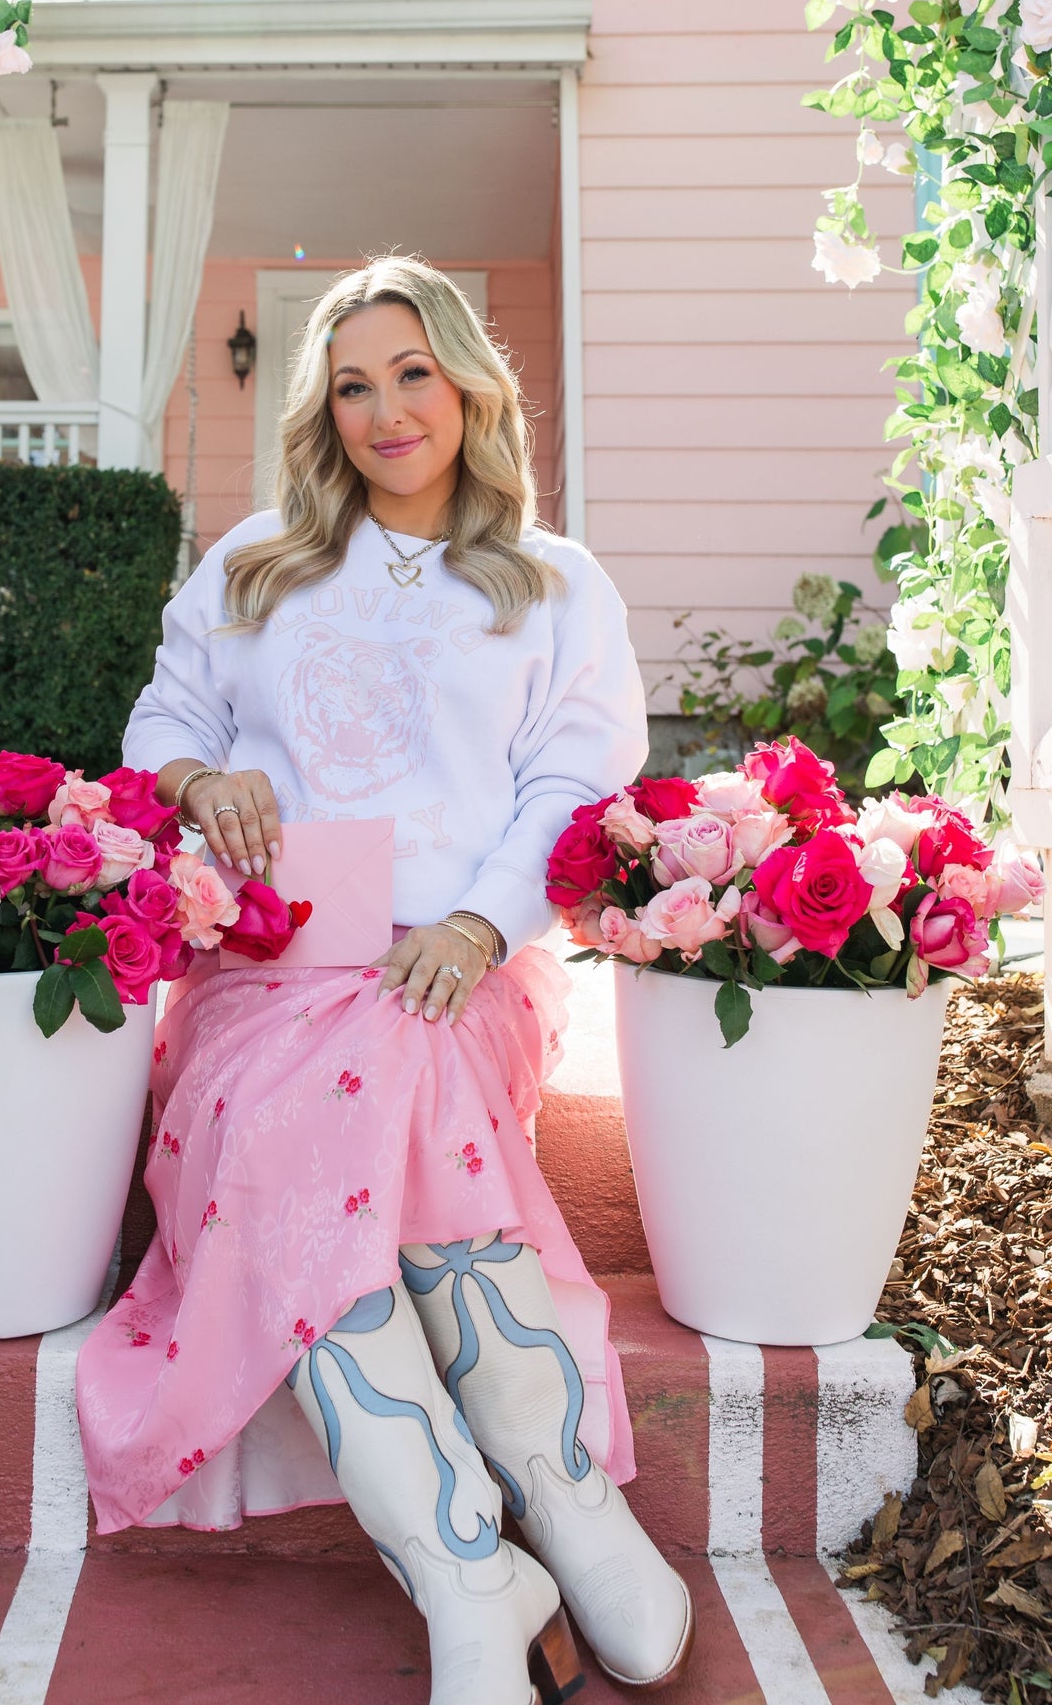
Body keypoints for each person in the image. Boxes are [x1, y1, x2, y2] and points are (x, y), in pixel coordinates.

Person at [76, 256, 693, 1702]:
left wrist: (477, 927)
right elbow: (158, 720)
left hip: (462, 963)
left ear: (469, 381)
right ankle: (463, 1558)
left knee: (395, 1061)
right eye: (351, 384)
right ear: (323, 413)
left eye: (410, 371)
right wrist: (203, 772)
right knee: (299, 1096)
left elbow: (574, 782)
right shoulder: (254, 567)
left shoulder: (553, 583)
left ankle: (557, 1500)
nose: (384, 408)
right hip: (280, 964)